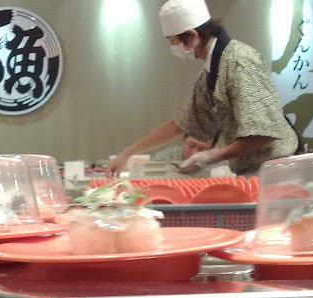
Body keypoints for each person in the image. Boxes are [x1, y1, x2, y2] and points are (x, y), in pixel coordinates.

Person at [107, 0, 297, 177]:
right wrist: (128, 153)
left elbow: (263, 133)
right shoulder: (210, 72)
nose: (173, 47)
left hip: (276, 171)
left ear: (191, 37)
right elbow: (180, 124)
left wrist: (213, 156)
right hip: (253, 172)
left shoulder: (240, 61)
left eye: (173, 41)